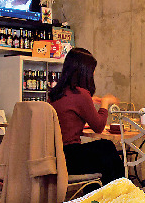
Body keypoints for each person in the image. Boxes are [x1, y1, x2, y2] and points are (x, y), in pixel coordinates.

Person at [48, 48, 124, 185]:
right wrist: (105, 103)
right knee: (107, 148)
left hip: (53, 156)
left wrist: (90, 101)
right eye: (92, 69)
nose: (94, 73)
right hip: (69, 159)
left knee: (103, 150)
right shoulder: (81, 94)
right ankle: (119, 195)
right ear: (84, 71)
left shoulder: (55, 94)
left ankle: (97, 194)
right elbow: (99, 127)